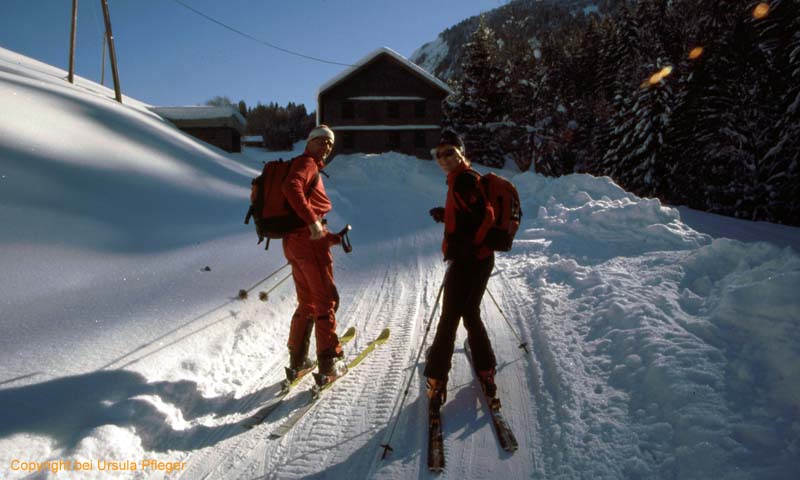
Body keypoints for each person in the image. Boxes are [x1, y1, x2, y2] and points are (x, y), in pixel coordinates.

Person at [425, 130, 498, 411]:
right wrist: (446, 216)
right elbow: (472, 214)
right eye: (439, 154)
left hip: (470, 260)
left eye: (449, 153)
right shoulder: (462, 178)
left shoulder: (464, 179)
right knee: (470, 313)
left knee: (449, 318)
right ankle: (486, 370)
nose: (443, 158)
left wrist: (465, 247)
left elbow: (487, 217)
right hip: (480, 259)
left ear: (461, 152)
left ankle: (436, 378)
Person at [282, 125, 346, 382]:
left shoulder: (305, 164)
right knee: (325, 301)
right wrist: (313, 222)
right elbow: (291, 187)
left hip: (295, 243)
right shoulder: (307, 163)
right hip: (307, 243)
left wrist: (330, 237)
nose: (326, 146)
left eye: (329, 143)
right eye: (320, 140)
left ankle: (297, 360)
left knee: (307, 302)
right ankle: (329, 363)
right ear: (309, 143)